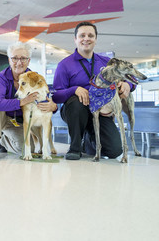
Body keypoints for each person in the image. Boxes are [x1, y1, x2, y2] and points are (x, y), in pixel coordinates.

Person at [52, 21, 135, 160]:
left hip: (100, 112)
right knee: (76, 103)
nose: (86, 38)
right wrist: (74, 89)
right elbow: (57, 96)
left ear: (95, 39)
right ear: (75, 39)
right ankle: (75, 148)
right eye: (82, 35)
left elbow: (129, 79)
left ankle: (88, 142)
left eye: (90, 35)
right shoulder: (64, 65)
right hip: (75, 111)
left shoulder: (106, 62)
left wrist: (128, 85)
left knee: (114, 151)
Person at [0, 41, 58, 157]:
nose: (19, 62)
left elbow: (44, 98)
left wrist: (54, 107)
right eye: (15, 58)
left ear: (29, 61)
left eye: (23, 58)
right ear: (9, 60)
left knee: (28, 149)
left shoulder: (34, 77)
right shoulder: (2, 77)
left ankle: (3, 141)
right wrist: (22, 101)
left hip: (15, 121)